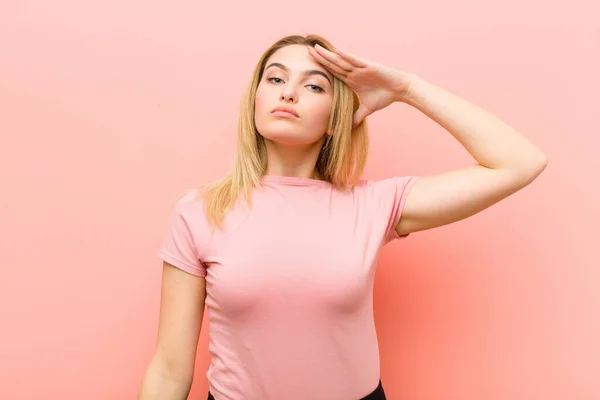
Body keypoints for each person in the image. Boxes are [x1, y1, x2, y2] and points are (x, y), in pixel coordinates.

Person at [138, 34, 547, 400]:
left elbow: (520, 163)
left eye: (314, 85)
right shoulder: (199, 211)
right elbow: (169, 371)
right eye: (276, 79)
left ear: (337, 119)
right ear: (256, 100)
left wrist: (408, 88)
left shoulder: (373, 205)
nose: (289, 94)